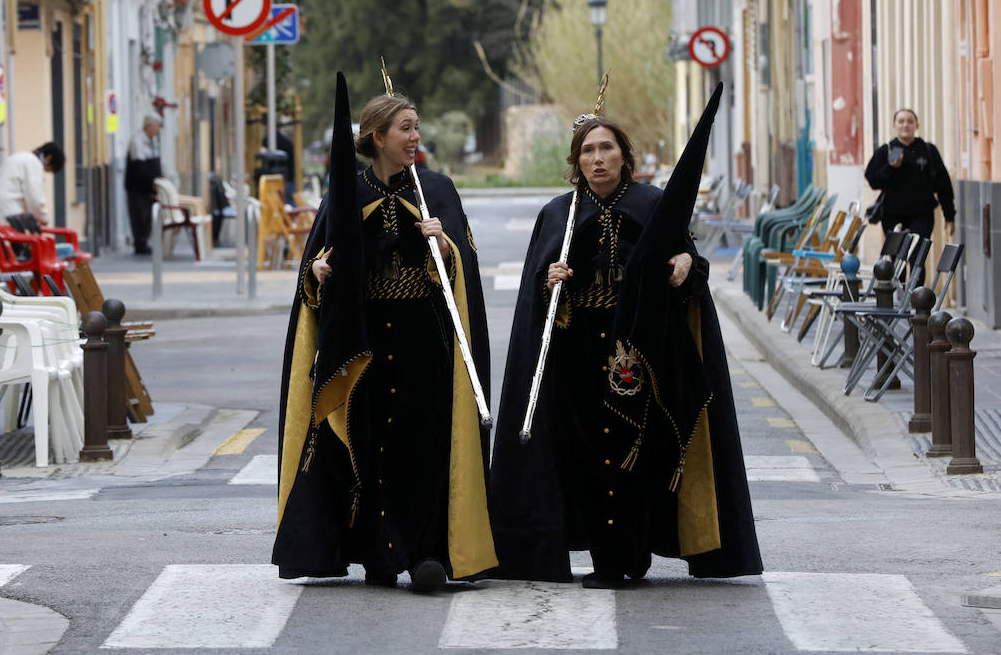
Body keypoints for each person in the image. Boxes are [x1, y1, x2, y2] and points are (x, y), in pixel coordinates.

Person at [489, 86, 762, 588]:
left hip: (639, 352)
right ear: (576, 162)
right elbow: (537, 293)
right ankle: (606, 554)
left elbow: (689, 262)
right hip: (577, 354)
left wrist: (684, 264)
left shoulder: (653, 204)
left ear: (624, 156)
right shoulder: (558, 214)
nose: (598, 158)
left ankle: (631, 554)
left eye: (607, 148)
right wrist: (549, 280)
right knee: (587, 455)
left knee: (640, 452)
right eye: (588, 151)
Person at [273, 74, 496, 593]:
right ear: (377, 136)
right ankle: (376, 550)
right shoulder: (348, 192)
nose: (415, 137)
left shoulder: (437, 189)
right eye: (405, 128)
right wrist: (320, 275)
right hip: (365, 344)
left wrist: (444, 249)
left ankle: (425, 549)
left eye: (417, 128)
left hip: (425, 342)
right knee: (366, 446)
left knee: (424, 446)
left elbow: (464, 266)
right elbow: (315, 268)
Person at [864, 108, 956, 243]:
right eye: (901, 121)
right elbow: (873, 181)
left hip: (922, 215)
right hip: (892, 215)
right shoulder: (890, 150)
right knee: (896, 260)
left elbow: (943, 184)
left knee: (917, 257)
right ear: (894, 125)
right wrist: (890, 167)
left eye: (910, 121)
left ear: (916, 126)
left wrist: (949, 215)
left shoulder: (927, 149)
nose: (905, 125)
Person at [0, 142, 64, 230]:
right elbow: (35, 198)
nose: (46, 171)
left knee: (8, 243)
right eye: (50, 169)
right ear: (49, 158)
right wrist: (43, 218)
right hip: (8, 213)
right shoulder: (34, 163)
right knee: (23, 242)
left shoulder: (21, 156)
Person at [125, 114, 163, 255]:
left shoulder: (153, 141)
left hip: (149, 187)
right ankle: (140, 244)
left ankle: (144, 242)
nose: (159, 129)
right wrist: (151, 180)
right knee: (139, 216)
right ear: (149, 126)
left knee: (148, 216)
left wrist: (158, 179)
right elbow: (138, 165)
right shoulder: (137, 140)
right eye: (157, 125)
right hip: (138, 187)